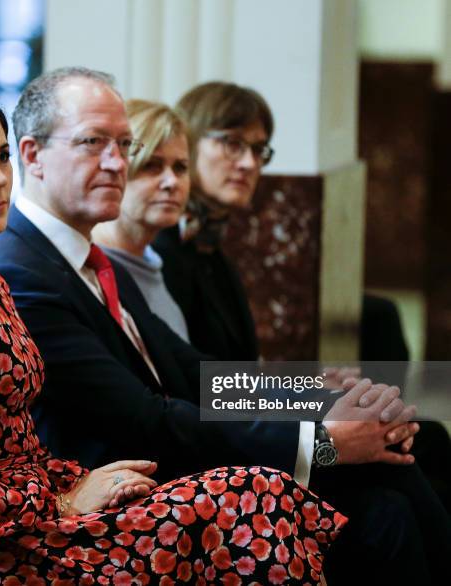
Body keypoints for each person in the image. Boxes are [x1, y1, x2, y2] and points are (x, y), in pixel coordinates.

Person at [0, 82, 350, 584]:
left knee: (265, 493)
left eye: (1, 156)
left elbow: (20, 444)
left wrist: (321, 400)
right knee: (256, 504)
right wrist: (61, 499)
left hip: (46, 515)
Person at [0, 67, 449, 584]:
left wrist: (316, 399)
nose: (117, 162)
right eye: (94, 142)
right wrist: (321, 440)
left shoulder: (85, 257)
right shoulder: (19, 271)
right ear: (31, 155)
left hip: (171, 465)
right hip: (122, 501)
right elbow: (146, 418)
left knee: (392, 460)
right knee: (384, 513)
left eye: (123, 143)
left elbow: (193, 370)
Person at [151, 80, 451, 581]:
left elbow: (229, 375)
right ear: (190, 139)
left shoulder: (208, 248)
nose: (248, 163)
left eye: (258, 149)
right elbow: (205, 388)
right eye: (230, 143)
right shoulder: (164, 251)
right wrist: (312, 400)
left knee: (421, 433)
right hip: (219, 446)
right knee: (396, 463)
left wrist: (319, 391)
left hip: (235, 413)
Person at [92, 99, 191, 341]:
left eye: (180, 168)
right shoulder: (91, 269)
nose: (172, 182)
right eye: (152, 166)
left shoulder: (156, 262)